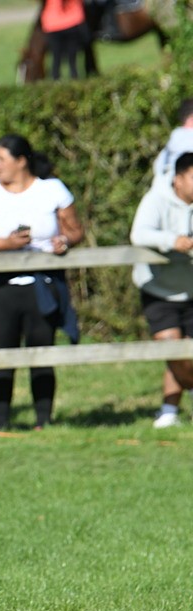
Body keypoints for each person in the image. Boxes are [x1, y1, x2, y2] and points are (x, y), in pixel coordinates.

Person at [0, 134, 84, 431]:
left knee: (41, 353)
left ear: (21, 161)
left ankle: (43, 421)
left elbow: (75, 230)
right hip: (0, 287)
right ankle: (0, 424)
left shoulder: (52, 190)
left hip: (41, 285)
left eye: (1, 159)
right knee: (1, 354)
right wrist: (7, 244)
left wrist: (63, 241)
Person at [131, 151, 193, 428]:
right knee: (173, 349)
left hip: (191, 289)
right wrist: (172, 240)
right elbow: (139, 234)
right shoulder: (156, 199)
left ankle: (169, 412)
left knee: (186, 354)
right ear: (178, 179)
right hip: (158, 289)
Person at [41, 0, 87, 81]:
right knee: (72, 57)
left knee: (56, 57)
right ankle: (74, 77)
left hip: (53, 24)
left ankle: (56, 78)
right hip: (72, 21)